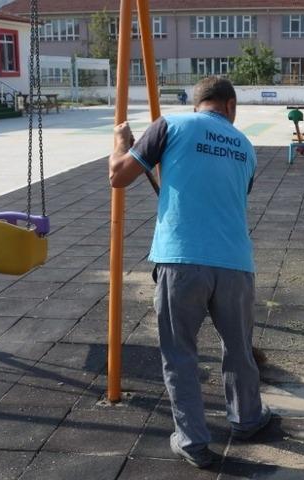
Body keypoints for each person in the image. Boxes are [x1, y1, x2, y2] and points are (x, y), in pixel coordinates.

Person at [109, 77, 270, 469]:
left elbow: (119, 176)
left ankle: (193, 441)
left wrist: (121, 142)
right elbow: (218, 193)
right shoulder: (245, 147)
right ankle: (247, 418)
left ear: (198, 102)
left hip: (182, 259)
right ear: (230, 105)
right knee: (239, 348)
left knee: (180, 351)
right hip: (235, 262)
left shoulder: (170, 125)